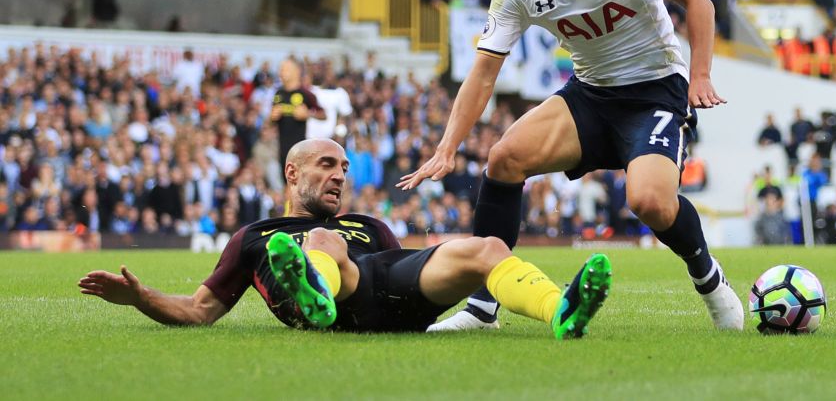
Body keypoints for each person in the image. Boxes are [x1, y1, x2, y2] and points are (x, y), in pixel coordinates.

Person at [397, 0, 742, 332]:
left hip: (655, 91)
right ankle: (481, 308)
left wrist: (700, 75)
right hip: (590, 96)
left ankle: (709, 279)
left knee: (649, 202)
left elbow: (697, 1)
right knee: (503, 158)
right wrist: (447, 148)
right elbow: (482, 73)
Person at [78, 139, 611, 339]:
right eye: (326, 165)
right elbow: (199, 310)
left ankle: (560, 308)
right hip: (340, 297)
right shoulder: (253, 237)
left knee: (487, 249)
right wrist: (141, 298)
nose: (340, 175)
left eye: (345, 168)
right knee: (324, 241)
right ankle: (314, 290)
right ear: (292, 174)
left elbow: (394, 265)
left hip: (385, 292)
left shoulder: (368, 225)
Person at [271, 58, 322, 206]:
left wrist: (308, 114)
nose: (281, 72)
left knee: (296, 184)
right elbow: (270, 122)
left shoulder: (305, 94)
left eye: (285, 69)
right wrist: (271, 117)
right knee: (285, 184)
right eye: (281, 69)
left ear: (296, 72)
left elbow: (323, 114)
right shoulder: (278, 93)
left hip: (300, 149)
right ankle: (288, 214)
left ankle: (294, 216)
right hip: (281, 147)